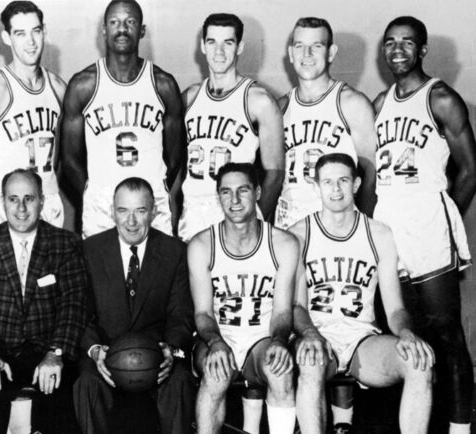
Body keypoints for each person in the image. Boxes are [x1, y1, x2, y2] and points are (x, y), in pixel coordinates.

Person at [373, 16, 476, 434]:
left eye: (407, 43)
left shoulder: (442, 98)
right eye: (391, 43)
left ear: (423, 50)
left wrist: (445, 213)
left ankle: (459, 428)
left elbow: (470, 169)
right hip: (390, 223)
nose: (398, 50)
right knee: (401, 329)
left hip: (428, 223)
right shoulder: (380, 102)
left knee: (445, 332)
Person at [289, 153, 434, 434]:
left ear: (355, 184)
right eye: (327, 182)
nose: (336, 189)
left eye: (343, 180)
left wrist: (405, 333)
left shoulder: (379, 234)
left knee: (418, 363)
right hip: (317, 337)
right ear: (316, 187)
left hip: (361, 340)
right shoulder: (298, 235)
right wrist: (310, 335)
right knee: (310, 361)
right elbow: (297, 307)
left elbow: (394, 308)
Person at [0, 169, 86, 434]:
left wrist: (56, 354)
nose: (20, 208)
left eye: (28, 198)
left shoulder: (65, 243)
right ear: (2, 202)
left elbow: (74, 305)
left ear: (42, 201)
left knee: (60, 411)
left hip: (48, 352)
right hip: (0, 352)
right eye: (13, 199)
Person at [74, 177, 195, 434]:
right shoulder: (89, 250)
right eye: (123, 211)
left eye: (139, 211)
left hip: (156, 353)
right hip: (107, 353)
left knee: (180, 379)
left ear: (153, 211)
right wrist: (95, 351)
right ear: (112, 212)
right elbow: (79, 312)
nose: (131, 221)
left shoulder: (175, 252)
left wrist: (170, 350)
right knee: (86, 381)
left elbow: (181, 315)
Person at [189, 163, 297, 434]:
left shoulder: (283, 243)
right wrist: (215, 342)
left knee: (280, 370)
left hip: (261, 339)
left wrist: (279, 341)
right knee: (216, 373)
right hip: (218, 336)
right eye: (226, 192)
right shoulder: (202, 245)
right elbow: (203, 313)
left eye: (242, 191)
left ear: (258, 192)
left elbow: (283, 312)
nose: (234, 200)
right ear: (218, 197)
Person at [61, 0, 184, 237]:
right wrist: (91, 191)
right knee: (102, 273)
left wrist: (158, 187)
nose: (122, 28)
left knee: (156, 272)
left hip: (150, 201)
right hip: (102, 203)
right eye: (114, 22)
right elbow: (69, 158)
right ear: (104, 29)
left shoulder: (163, 85)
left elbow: (175, 153)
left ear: (142, 30)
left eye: (130, 22)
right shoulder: (83, 85)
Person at [176, 14, 284, 241]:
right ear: (202, 46)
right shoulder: (190, 97)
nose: (219, 51)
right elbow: (176, 166)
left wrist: (254, 222)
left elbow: (275, 173)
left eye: (228, 42)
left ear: (240, 47)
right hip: (192, 216)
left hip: (234, 212)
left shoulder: (259, 100)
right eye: (212, 42)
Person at [0, 1, 66, 231]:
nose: (30, 42)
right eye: (20, 34)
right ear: (7, 38)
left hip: (45, 202)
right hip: (4, 207)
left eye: (36, 31)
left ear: (44, 32)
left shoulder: (58, 88)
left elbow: (61, 156)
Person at [275, 17, 377, 230]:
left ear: (331, 53)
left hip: (336, 223)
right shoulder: (281, 106)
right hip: (289, 222)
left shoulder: (351, 103)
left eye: (316, 46)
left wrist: (360, 230)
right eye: (300, 46)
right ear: (291, 53)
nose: (307, 55)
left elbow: (370, 176)